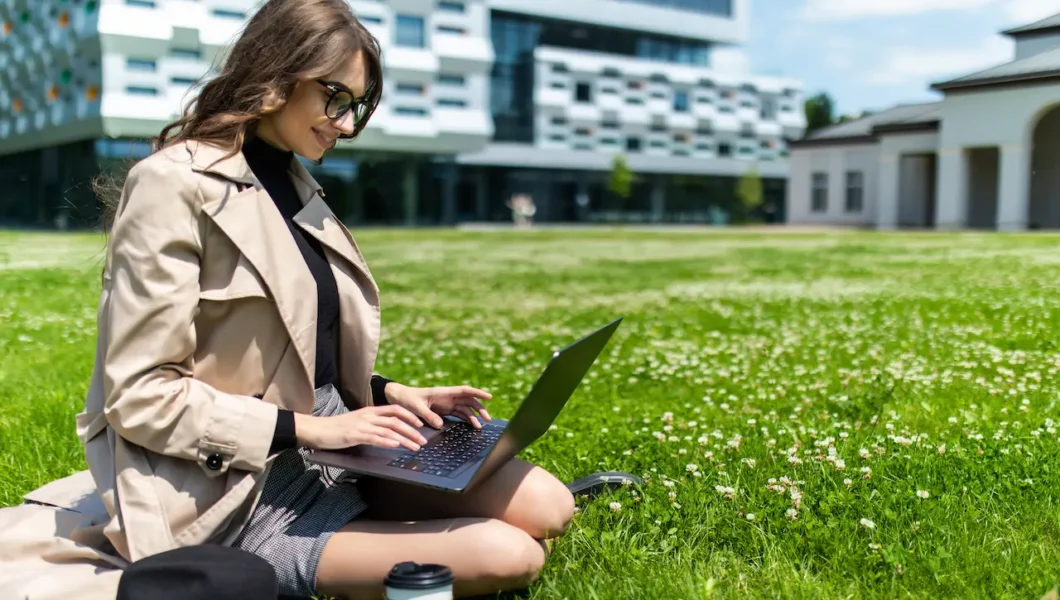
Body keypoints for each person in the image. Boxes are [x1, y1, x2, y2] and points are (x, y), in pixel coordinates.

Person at [0, 1, 635, 599]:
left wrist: (388, 395)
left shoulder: (297, 183)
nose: (348, 124)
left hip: (343, 451)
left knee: (552, 507)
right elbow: (138, 395)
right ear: (277, 74)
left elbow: (299, 348)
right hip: (237, 491)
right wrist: (312, 429)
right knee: (510, 557)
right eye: (336, 98)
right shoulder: (172, 184)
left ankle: (405, 495)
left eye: (358, 106)